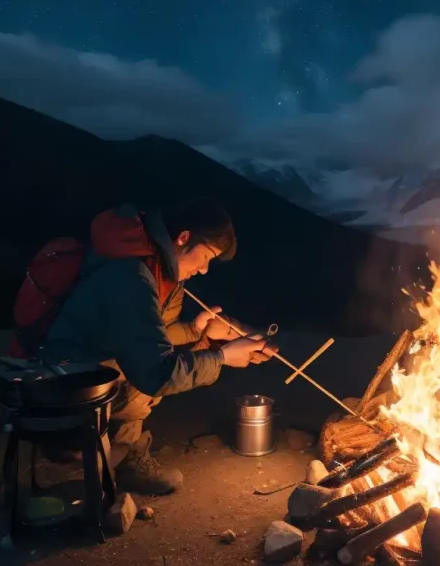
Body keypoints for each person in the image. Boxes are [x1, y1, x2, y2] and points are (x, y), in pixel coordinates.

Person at [40, 199, 277, 494]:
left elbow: (152, 336)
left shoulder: (160, 271)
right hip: (66, 385)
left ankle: (119, 458)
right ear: (184, 238)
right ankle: (72, 466)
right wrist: (222, 356)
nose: (204, 269)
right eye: (206, 257)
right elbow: (155, 372)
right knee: (150, 380)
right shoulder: (129, 277)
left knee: (158, 366)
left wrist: (197, 331)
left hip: (95, 371)